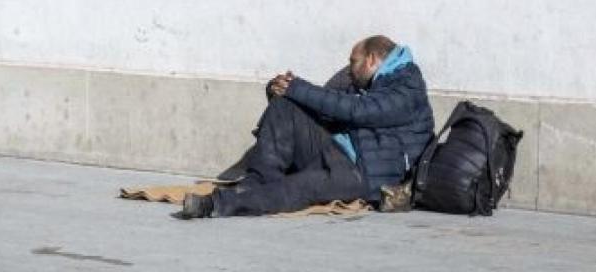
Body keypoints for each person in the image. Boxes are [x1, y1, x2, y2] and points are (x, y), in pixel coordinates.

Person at [179, 35, 435, 218]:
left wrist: (299, 88)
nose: (349, 69)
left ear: (371, 59)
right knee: (286, 107)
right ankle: (257, 183)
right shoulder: (367, 83)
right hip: (340, 150)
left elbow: (359, 111)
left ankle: (215, 205)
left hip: (364, 175)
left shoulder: (407, 85)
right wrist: (282, 89)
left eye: (353, 62)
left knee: (297, 188)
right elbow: (325, 101)